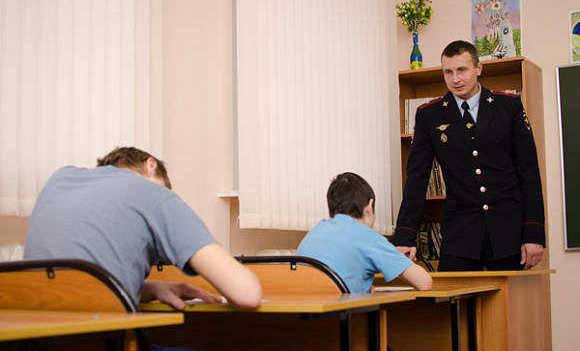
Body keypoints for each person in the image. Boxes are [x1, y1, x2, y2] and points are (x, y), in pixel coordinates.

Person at [24, 146, 262, 311]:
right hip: (106, 340)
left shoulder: (60, 180)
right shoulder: (151, 193)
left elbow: (70, 286)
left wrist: (147, 288)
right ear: (150, 166)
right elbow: (246, 294)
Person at [392, 40, 545, 271]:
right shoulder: (429, 115)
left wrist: (533, 232)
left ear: (478, 69)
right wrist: (404, 236)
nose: (455, 79)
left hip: (508, 231)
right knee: (451, 305)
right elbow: (416, 178)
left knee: (511, 306)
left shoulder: (508, 106)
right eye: (448, 72)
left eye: (462, 70)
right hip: (460, 234)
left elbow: (529, 173)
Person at [296, 172, 432, 293]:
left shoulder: (313, 234)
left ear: (330, 211)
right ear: (369, 207)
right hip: (340, 317)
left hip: (302, 316)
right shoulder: (367, 237)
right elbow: (425, 283)